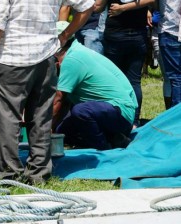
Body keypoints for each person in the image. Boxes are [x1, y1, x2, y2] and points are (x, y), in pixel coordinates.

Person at [0, 0, 94, 185]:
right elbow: (87, 5)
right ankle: (39, 174)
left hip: (14, 57)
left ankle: (9, 174)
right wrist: (65, 35)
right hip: (46, 57)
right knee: (41, 117)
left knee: (8, 117)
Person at [53, 22, 137, 150]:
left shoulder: (72, 59)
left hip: (120, 113)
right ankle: (114, 138)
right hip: (112, 111)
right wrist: (55, 130)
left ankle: (103, 149)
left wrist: (45, 132)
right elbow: (65, 103)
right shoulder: (77, 51)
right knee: (64, 132)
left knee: (81, 111)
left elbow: (59, 99)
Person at [94, 0, 150, 126]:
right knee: (134, 80)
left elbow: (97, 6)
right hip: (139, 37)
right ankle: (134, 121)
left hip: (115, 37)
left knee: (114, 79)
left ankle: (116, 120)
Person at [146, 0, 172, 108]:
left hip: (172, 26)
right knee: (168, 76)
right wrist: (148, 9)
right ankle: (170, 111)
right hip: (157, 26)